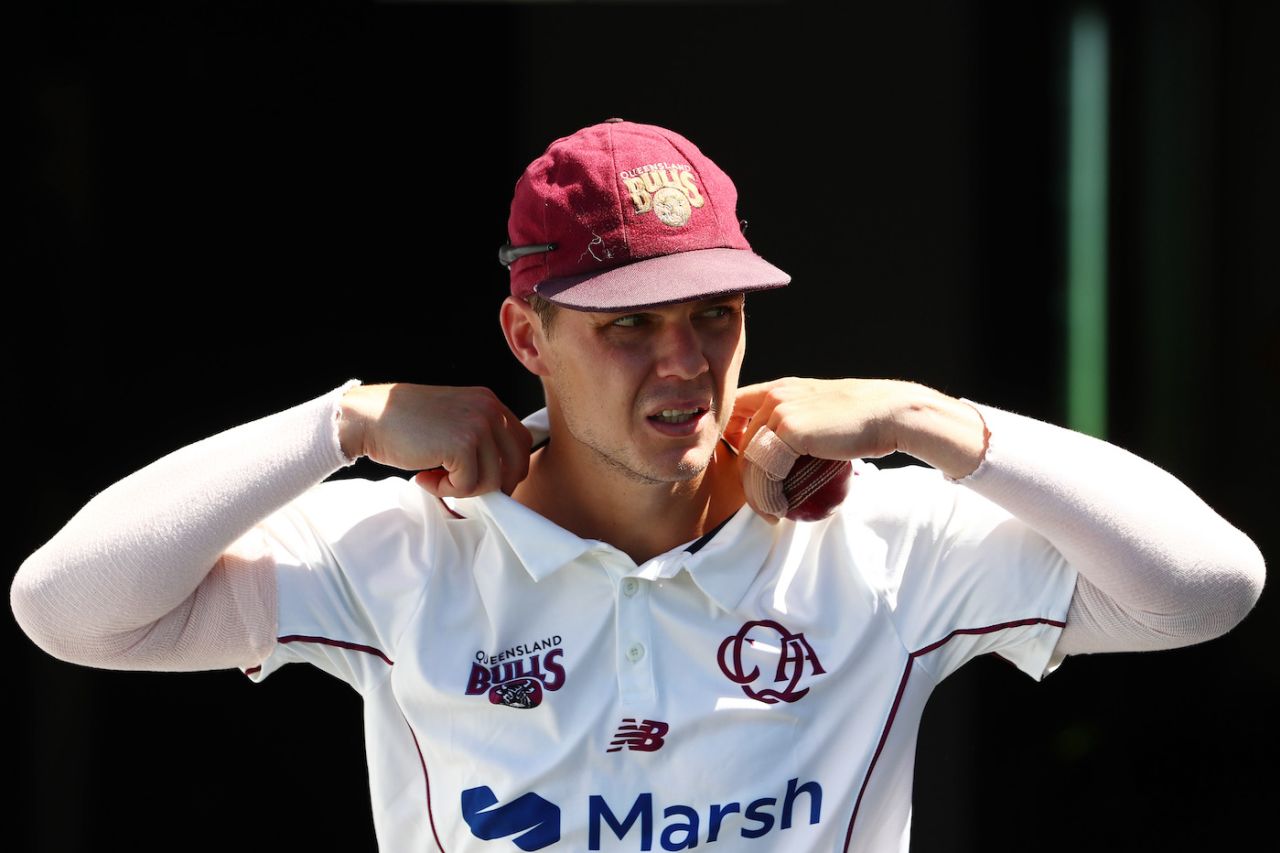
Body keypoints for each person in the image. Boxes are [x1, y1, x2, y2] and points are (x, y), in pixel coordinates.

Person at [11, 119, 1265, 852]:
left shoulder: (877, 535)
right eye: (627, 324)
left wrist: (919, 419)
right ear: (523, 340)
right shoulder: (404, 546)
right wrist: (337, 424)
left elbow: (1203, 587)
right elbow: (71, 611)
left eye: (714, 315)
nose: (685, 366)